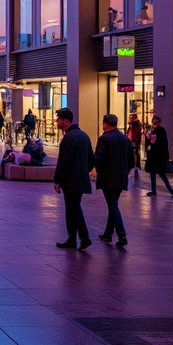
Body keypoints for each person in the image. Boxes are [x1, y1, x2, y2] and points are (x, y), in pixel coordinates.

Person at [52, 107, 93, 250]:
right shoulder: (84, 136)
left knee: (73, 208)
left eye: (58, 119)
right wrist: (83, 170)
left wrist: (57, 180)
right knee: (72, 208)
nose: (56, 122)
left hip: (71, 180)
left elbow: (63, 161)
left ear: (65, 121)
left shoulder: (68, 138)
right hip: (81, 179)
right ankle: (72, 239)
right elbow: (91, 160)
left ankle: (84, 237)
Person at [93, 113, 136, 247]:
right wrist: (125, 171)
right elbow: (131, 160)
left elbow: (99, 159)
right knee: (113, 203)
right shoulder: (125, 139)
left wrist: (95, 171)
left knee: (112, 205)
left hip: (107, 177)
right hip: (120, 177)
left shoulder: (104, 139)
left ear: (105, 123)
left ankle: (122, 235)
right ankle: (108, 233)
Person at [144, 115, 173, 198]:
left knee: (160, 174)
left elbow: (162, 143)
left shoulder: (160, 131)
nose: (154, 123)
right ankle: (155, 191)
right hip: (154, 156)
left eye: (155, 122)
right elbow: (149, 142)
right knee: (154, 174)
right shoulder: (152, 130)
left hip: (157, 156)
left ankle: (170, 190)